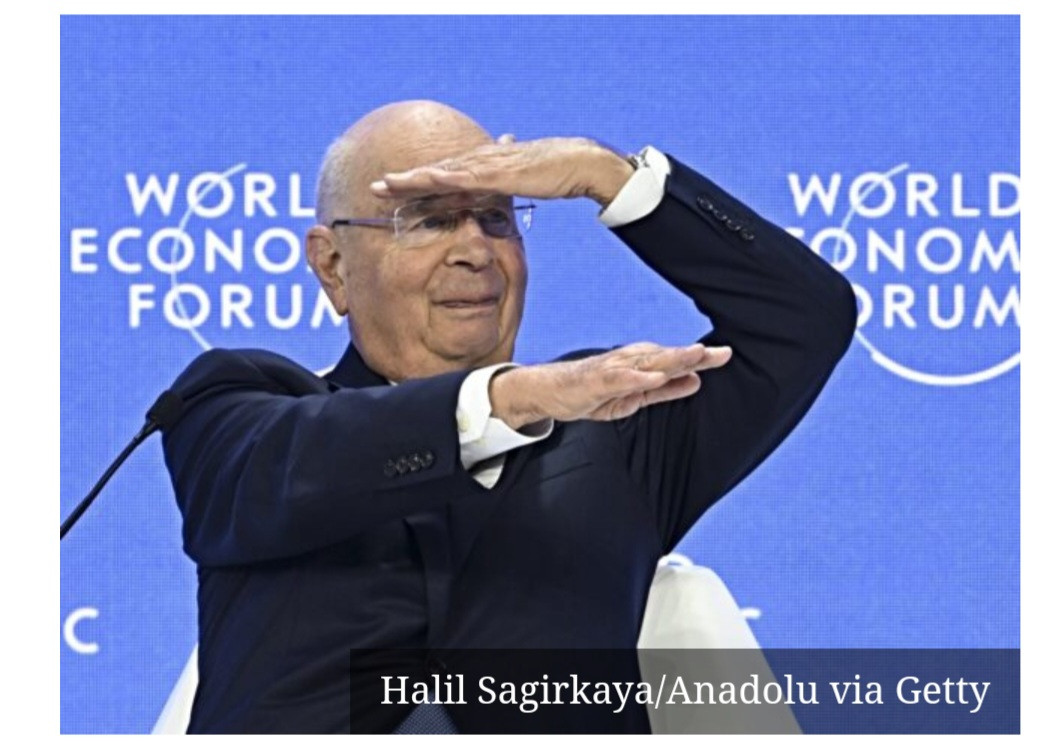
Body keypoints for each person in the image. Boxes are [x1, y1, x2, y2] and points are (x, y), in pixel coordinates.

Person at [161, 100, 857, 733]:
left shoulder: (615, 424)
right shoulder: (239, 406)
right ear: (333, 266)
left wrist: (606, 176)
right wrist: (509, 399)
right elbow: (301, 459)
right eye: (429, 219)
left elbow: (804, 320)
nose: (474, 250)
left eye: (496, 218)